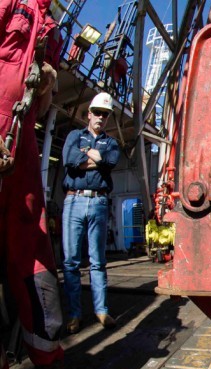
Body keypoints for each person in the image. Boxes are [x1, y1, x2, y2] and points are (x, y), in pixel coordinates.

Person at [0, 0, 103, 369]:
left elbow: (42, 108)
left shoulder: (50, 25)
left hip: (20, 156)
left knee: (39, 277)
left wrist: (44, 85)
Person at [62, 92, 120, 334]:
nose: (101, 117)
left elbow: (112, 160)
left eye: (105, 114)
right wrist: (98, 159)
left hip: (98, 202)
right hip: (73, 201)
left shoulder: (112, 143)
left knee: (98, 261)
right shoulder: (75, 136)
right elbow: (69, 160)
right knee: (71, 262)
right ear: (89, 114)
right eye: (97, 112)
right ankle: (74, 314)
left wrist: (88, 155)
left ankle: (101, 310)